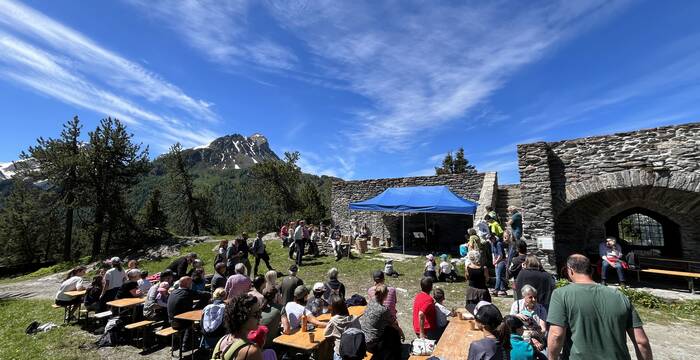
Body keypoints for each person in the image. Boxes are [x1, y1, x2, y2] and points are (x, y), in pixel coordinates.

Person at [547, 254, 652, 360]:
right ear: (591, 271)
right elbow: (641, 342)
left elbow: (556, 335)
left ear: (570, 270)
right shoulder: (620, 296)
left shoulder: (561, 294)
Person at [211, 294, 263, 360]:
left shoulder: (222, 340)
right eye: (256, 314)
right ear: (242, 318)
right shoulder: (252, 351)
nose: (260, 317)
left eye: (260, 312)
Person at [359, 284, 404, 360]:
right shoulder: (383, 310)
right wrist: (401, 333)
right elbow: (394, 323)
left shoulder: (370, 302)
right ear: (386, 295)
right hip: (373, 344)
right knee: (394, 333)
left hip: (363, 339)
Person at [510, 285, 547, 353]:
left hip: (537, 338)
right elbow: (510, 324)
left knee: (544, 355)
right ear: (524, 297)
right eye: (530, 297)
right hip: (520, 338)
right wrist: (516, 316)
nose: (534, 299)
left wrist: (532, 337)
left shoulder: (541, 309)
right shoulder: (516, 305)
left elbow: (543, 330)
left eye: (535, 297)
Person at [324, 295, 361, 360]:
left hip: (340, 353)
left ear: (333, 308)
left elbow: (326, 334)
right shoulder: (354, 319)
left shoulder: (333, 320)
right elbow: (359, 330)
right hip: (354, 351)